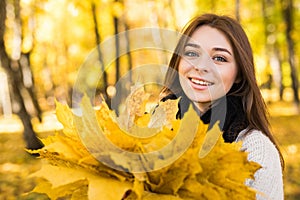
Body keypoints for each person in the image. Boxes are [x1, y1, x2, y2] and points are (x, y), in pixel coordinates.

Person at [159, 13, 284, 200]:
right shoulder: (150, 128)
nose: (201, 66)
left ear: (240, 74)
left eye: (219, 58)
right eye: (192, 53)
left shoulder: (255, 151)